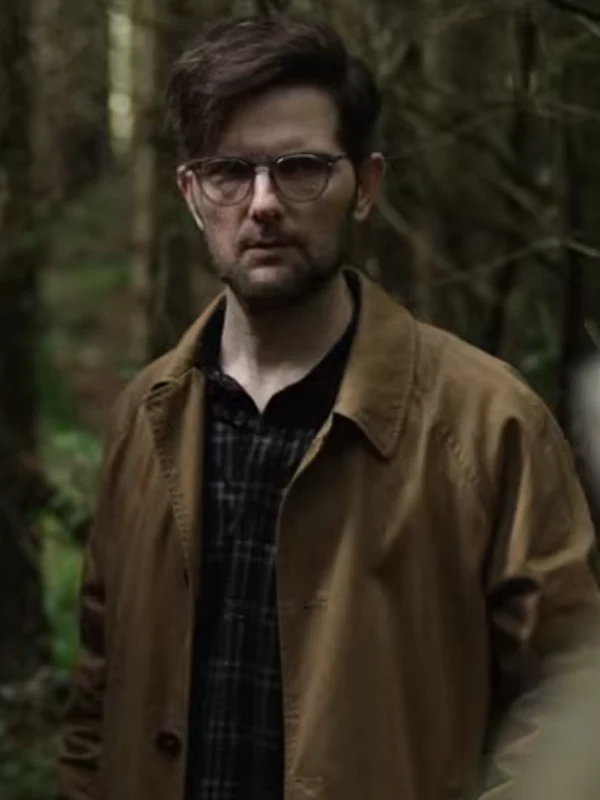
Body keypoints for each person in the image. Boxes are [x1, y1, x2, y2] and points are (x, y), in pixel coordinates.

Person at [58, 14, 600, 800]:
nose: (263, 203)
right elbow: (97, 700)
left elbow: (571, 689)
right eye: (229, 172)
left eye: (301, 168)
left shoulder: (488, 422)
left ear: (366, 187)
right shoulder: (145, 418)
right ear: (192, 194)